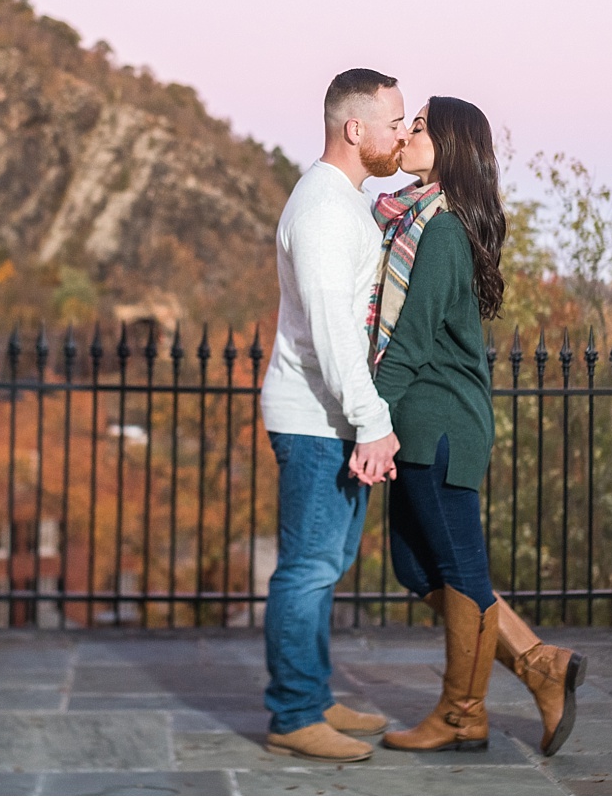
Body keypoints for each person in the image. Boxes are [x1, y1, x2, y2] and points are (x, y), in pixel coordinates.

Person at [367, 96, 585, 757]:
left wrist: (366, 419)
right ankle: (538, 664)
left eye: (421, 126)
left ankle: (463, 715)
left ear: (452, 146)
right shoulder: (420, 219)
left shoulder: (442, 230)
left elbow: (406, 343)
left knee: (461, 571)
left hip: (437, 425)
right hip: (422, 420)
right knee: (415, 564)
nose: (408, 132)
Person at [258, 68, 409, 764]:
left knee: (326, 563)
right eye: (394, 122)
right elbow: (331, 329)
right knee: (307, 569)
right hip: (315, 419)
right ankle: (293, 714)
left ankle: (313, 697)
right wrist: (370, 421)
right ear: (355, 129)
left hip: (334, 419)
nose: (401, 133)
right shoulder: (321, 208)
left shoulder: (344, 202)